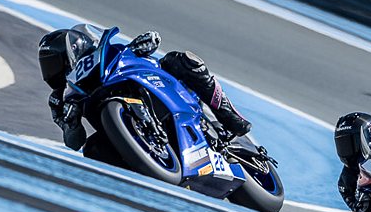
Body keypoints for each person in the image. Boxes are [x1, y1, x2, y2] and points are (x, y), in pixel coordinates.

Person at [37, 27, 251, 151]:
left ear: (75, 47)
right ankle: (150, 170)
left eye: (54, 61)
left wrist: (139, 45)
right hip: (125, 131)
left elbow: (139, 51)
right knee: (93, 149)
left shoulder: (104, 55)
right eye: (48, 65)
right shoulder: (60, 100)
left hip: (155, 83)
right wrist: (71, 124)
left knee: (182, 60)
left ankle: (230, 117)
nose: (51, 70)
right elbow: (74, 143)